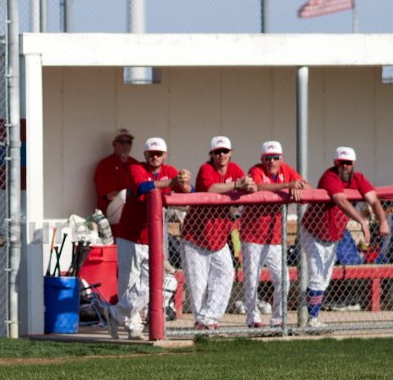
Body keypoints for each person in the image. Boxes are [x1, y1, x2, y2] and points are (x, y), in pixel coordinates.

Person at [104, 137, 191, 340]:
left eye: (158, 154)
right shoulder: (137, 168)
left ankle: (115, 313)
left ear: (165, 155)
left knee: (152, 282)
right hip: (130, 235)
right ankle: (133, 328)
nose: (155, 157)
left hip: (153, 237)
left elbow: (190, 192)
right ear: (145, 154)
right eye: (151, 154)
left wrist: (184, 181)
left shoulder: (170, 170)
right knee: (128, 282)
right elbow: (143, 187)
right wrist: (172, 182)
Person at [301, 146, 389, 329]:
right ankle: (311, 319)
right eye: (341, 163)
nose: (345, 166)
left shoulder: (358, 179)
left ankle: (310, 314)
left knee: (324, 278)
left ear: (353, 164)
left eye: (348, 163)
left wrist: (382, 221)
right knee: (317, 275)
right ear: (336, 163)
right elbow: (340, 200)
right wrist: (362, 222)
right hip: (313, 232)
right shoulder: (330, 176)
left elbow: (374, 200)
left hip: (333, 235)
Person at [180, 135, 257, 330]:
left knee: (226, 274)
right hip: (196, 236)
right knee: (198, 285)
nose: (221, 155)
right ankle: (201, 323)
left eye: (224, 151)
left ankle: (209, 318)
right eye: (217, 152)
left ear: (230, 153)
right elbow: (211, 188)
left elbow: (249, 186)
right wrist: (238, 185)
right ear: (212, 154)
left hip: (219, 237)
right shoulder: (206, 168)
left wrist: (249, 185)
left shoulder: (234, 169)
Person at [240, 141, 306, 328]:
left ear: (281, 158)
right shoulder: (256, 170)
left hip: (275, 237)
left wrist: (298, 187)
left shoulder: (287, 169)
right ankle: (253, 319)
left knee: (283, 279)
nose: (272, 161)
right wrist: (287, 185)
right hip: (253, 236)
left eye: (276, 157)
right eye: (268, 158)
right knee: (251, 279)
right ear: (262, 159)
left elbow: (306, 186)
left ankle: (278, 319)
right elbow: (257, 186)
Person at [94, 128, 140, 233]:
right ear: (114, 144)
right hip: (110, 215)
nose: (125, 146)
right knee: (124, 195)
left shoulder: (135, 164)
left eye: (128, 142)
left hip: (131, 210)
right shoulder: (105, 164)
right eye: (121, 142)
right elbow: (111, 195)